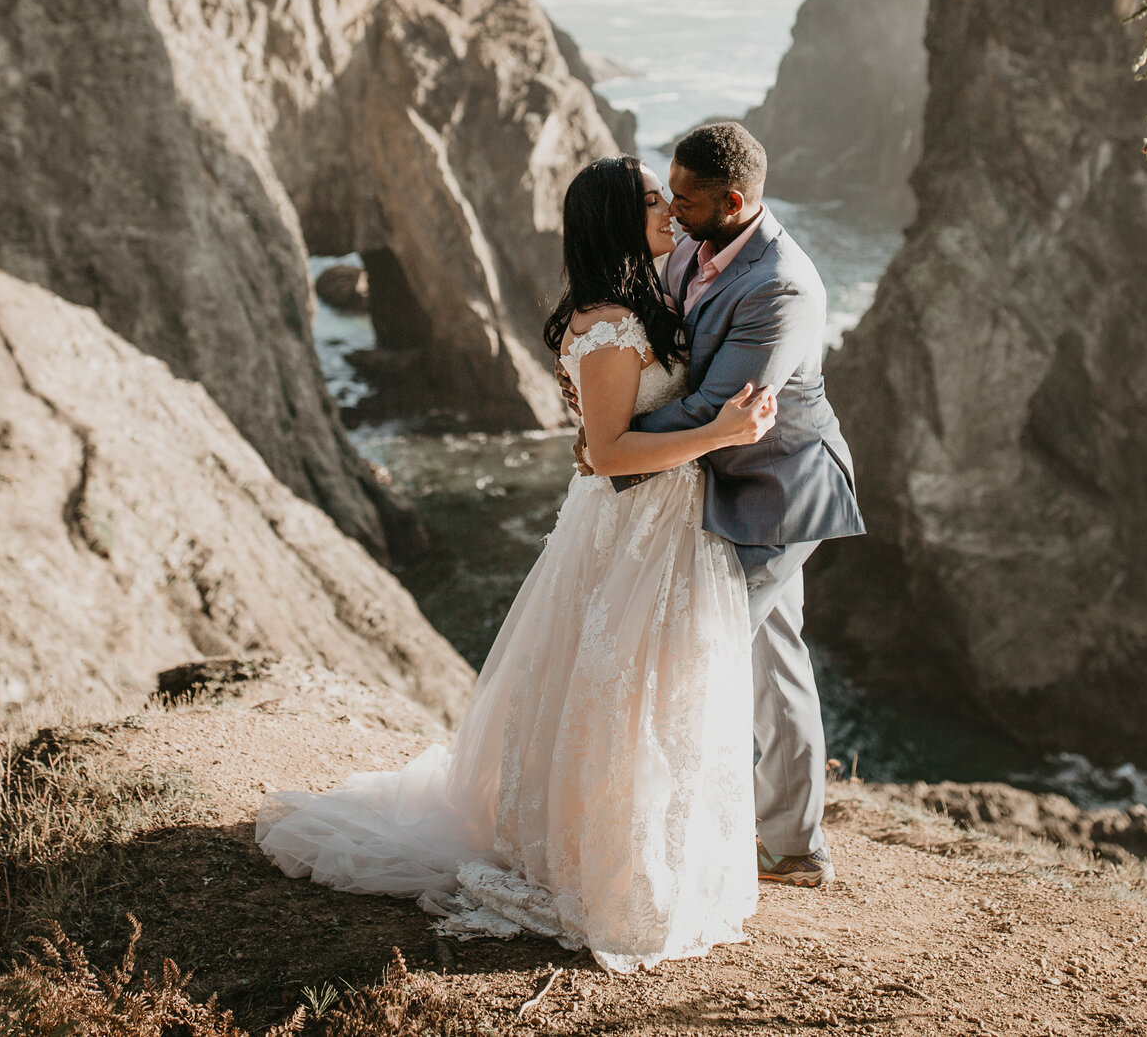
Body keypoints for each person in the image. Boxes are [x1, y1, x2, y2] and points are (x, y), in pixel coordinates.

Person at [256, 156, 778, 971]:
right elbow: (608, 451)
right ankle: (596, 867)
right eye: (651, 201)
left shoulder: (646, 297)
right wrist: (719, 436)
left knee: (660, 692)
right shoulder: (604, 323)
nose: (668, 212)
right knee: (615, 692)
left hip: (668, 528)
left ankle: (656, 855)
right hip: (628, 527)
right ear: (615, 218)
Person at [631, 119, 864, 888]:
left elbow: (713, 409)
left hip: (779, 491)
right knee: (777, 655)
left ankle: (690, 832)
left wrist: (612, 439)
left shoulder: (782, 285)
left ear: (734, 201)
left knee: (701, 646)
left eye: (687, 198)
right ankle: (796, 844)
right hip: (722, 479)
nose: (671, 205)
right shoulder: (697, 245)